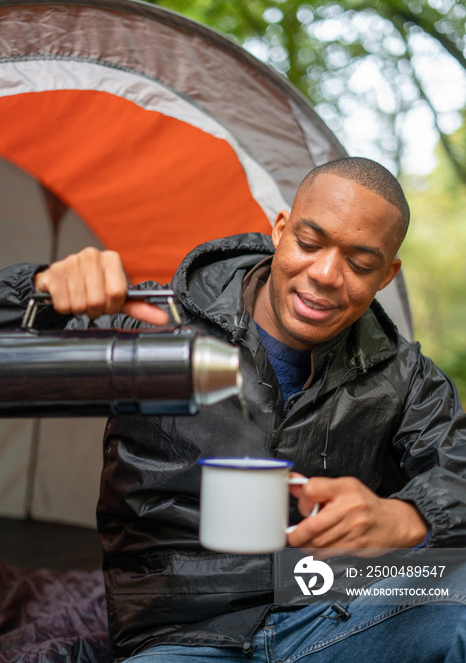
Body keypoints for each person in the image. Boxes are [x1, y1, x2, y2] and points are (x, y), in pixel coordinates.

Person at [1, 157, 466, 662]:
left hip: (336, 605)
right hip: (183, 632)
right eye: (310, 244)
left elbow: (457, 469)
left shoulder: (407, 376)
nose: (327, 274)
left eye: (359, 264)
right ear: (281, 230)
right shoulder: (153, 325)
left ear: (387, 274)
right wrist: (39, 293)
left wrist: (410, 517)